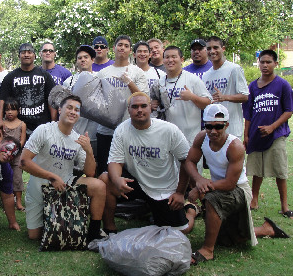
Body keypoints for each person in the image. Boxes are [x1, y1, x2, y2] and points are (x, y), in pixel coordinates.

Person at [185, 104, 290, 266]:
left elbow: (229, 183)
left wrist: (200, 188)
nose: (213, 131)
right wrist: (199, 180)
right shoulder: (201, 138)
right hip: (219, 187)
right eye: (209, 126)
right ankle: (266, 229)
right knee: (228, 239)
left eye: (218, 126)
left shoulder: (234, 146)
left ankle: (207, 250)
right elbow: (190, 162)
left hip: (239, 189)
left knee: (212, 200)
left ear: (226, 125)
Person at [102, 92, 195, 234]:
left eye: (143, 106)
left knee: (182, 231)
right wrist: (117, 179)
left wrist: (180, 193)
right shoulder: (121, 130)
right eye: (135, 107)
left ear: (151, 108)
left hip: (163, 188)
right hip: (137, 182)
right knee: (105, 179)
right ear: (129, 109)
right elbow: (115, 161)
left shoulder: (169, 130)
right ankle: (109, 228)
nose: (139, 110)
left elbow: (186, 160)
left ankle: (191, 210)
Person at [20, 95, 106, 242]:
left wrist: (89, 151)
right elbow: (24, 162)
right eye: (69, 107)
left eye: (77, 110)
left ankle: (94, 231)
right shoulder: (44, 130)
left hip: (65, 186)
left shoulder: (77, 139)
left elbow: (90, 173)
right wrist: (51, 177)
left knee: (98, 185)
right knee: (34, 236)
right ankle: (56, 220)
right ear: (60, 109)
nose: (73, 112)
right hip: (39, 187)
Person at [243, 50, 293, 220]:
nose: (265, 65)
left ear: (276, 64)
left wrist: (272, 127)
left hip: (276, 135)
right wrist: (246, 135)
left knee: (279, 170)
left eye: (268, 62)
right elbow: (248, 113)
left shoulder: (282, 85)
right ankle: (254, 200)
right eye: (262, 62)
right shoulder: (252, 86)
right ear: (258, 63)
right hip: (256, 135)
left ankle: (285, 206)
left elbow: (289, 110)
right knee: (257, 170)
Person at [95, 35, 149, 176]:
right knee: (105, 169)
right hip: (106, 130)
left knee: (129, 170)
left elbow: (144, 99)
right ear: (113, 48)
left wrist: (129, 82)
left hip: (130, 128)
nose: (122, 48)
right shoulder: (103, 73)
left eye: (126, 45)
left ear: (131, 51)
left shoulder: (137, 72)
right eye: (120, 45)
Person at [0, 43, 56, 137]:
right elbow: (2, 99)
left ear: (35, 56)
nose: (26, 55)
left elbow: (52, 100)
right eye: (23, 52)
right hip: (17, 126)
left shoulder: (45, 76)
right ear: (19, 56)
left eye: (29, 52)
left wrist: (53, 123)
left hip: (42, 126)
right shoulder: (10, 77)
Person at [160, 46, 211, 146]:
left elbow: (208, 103)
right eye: (167, 57)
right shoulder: (160, 82)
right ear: (163, 60)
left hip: (190, 137)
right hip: (168, 137)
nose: (170, 60)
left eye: (174, 57)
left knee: (190, 162)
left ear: (181, 59)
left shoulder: (192, 79)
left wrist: (192, 97)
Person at [202, 36, 249, 141]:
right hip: (214, 130)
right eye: (209, 49)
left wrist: (225, 97)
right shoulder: (206, 75)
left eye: (215, 47)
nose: (212, 51)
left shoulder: (234, 69)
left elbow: (245, 96)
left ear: (223, 49)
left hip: (232, 128)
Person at [63, 45, 99, 154]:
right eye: (80, 58)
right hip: (74, 133)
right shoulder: (69, 82)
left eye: (86, 57)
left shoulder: (100, 78)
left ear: (92, 60)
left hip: (95, 133)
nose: (83, 60)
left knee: (94, 167)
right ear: (77, 61)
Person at [0, 98, 27, 211]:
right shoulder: (3, 124)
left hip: (17, 155)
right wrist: (4, 150)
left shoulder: (22, 124)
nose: (10, 112)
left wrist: (13, 149)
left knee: (17, 178)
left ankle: (18, 202)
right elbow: (0, 140)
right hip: (4, 155)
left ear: (18, 111)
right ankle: (5, 201)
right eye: (7, 110)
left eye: (13, 109)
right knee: (4, 176)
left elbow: (22, 141)